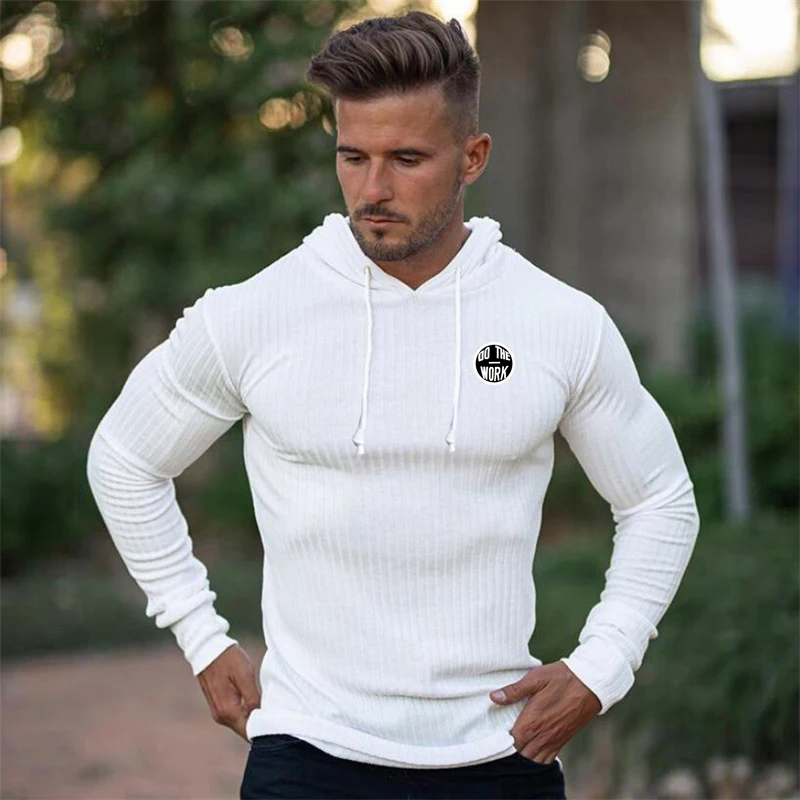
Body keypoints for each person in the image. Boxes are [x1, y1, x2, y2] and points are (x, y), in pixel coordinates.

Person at [86, 10, 700, 800]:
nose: (373, 190)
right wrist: (199, 633)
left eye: (407, 159)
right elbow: (125, 459)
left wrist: (602, 666)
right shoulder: (255, 313)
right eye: (354, 157)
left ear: (472, 156)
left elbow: (659, 499)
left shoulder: (557, 322)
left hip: (500, 757)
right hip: (307, 755)